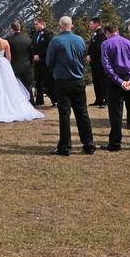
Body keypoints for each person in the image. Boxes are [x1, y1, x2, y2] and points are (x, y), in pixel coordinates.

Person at [46, 16, 95, 156]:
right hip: (78, 80)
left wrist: (56, 72)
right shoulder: (80, 40)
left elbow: (49, 61)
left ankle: (65, 146)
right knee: (82, 113)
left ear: (60, 26)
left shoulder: (55, 41)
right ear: (71, 25)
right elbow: (83, 57)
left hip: (62, 81)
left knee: (64, 114)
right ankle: (88, 144)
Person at [0, 25, 44, 123]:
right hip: (3, 63)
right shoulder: (5, 42)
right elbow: (9, 56)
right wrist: (6, 66)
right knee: (8, 86)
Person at [100, 23, 130, 151]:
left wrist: (119, 81)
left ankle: (115, 143)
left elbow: (107, 66)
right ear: (117, 30)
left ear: (107, 32)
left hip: (115, 81)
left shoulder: (106, 44)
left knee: (115, 113)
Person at [7, 21, 34, 103]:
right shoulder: (28, 39)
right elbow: (31, 54)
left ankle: (19, 104)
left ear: (12, 29)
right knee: (28, 86)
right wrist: (31, 64)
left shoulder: (9, 40)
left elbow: (7, 55)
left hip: (14, 66)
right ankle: (31, 103)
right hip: (27, 66)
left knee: (16, 87)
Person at [30, 17, 54, 106]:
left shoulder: (49, 34)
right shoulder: (35, 34)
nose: (35, 26)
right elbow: (33, 46)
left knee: (48, 81)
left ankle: (54, 99)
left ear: (42, 23)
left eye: (36, 24)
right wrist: (33, 55)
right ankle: (39, 100)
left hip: (45, 62)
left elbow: (49, 48)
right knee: (38, 81)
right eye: (34, 24)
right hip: (37, 63)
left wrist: (40, 56)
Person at [86, 16, 107, 107]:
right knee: (96, 81)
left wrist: (92, 56)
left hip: (99, 62)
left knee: (102, 81)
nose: (90, 25)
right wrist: (88, 54)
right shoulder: (94, 34)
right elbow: (91, 46)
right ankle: (98, 99)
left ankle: (106, 99)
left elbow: (99, 48)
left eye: (91, 24)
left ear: (97, 24)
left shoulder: (101, 34)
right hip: (94, 62)